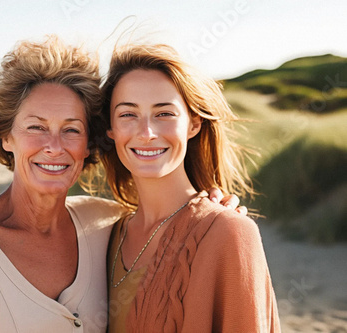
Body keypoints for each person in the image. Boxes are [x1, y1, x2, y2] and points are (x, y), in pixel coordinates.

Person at [0, 36, 240, 333]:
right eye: (36, 127)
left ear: (89, 143)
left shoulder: (104, 225)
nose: (55, 146)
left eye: (71, 129)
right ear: (5, 137)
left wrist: (213, 212)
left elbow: (174, 222)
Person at [101, 43, 280, 332]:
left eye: (164, 114)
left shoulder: (229, 232)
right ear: (111, 130)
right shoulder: (106, 235)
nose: (146, 133)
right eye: (127, 114)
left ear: (193, 124)